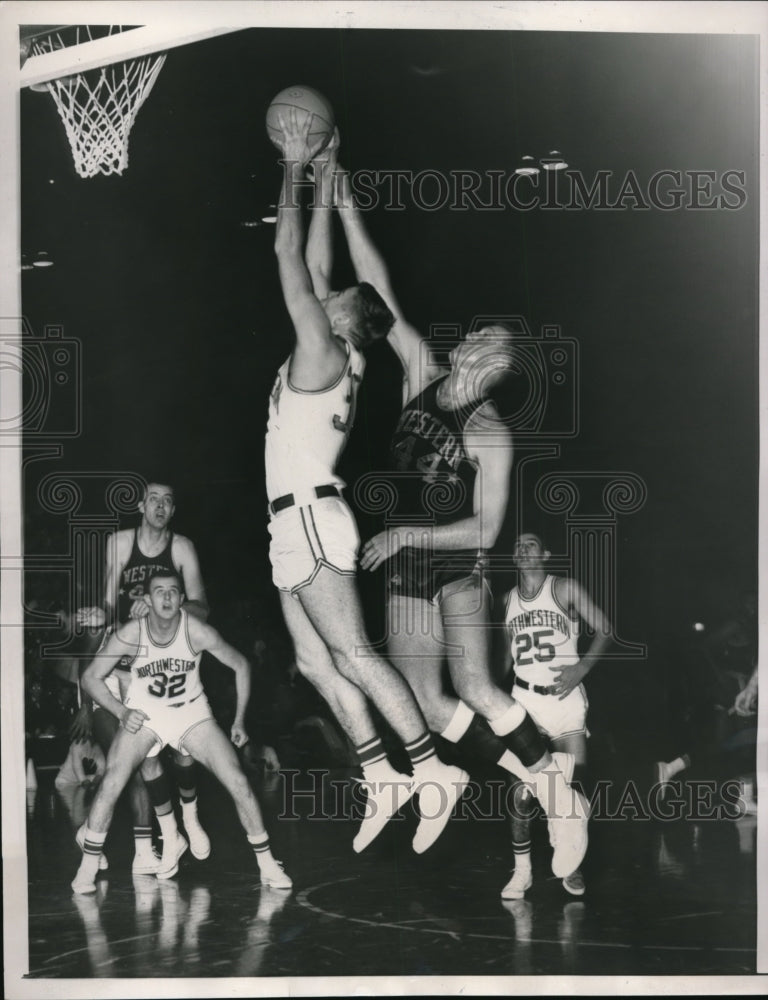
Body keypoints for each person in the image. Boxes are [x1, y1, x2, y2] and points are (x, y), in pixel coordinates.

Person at [331, 156, 590, 884]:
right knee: (421, 696)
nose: (472, 341)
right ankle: (540, 782)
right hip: (406, 555)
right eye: (475, 336)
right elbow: (379, 294)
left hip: (456, 557)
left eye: (488, 343)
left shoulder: (491, 432)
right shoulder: (422, 373)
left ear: (499, 366)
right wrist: (348, 200)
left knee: (475, 685)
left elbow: (486, 530)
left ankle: (559, 795)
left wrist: (409, 532)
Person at [266, 110, 468, 855]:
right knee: (313, 660)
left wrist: (292, 162)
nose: (327, 291)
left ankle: (431, 769)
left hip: (312, 519)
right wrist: (328, 179)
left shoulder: (320, 346)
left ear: (344, 320)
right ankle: (382, 774)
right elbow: (319, 269)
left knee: (353, 652)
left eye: (338, 296)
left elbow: (288, 251)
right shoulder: (343, 348)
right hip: (294, 519)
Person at [71, 570, 291, 894]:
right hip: (146, 714)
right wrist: (120, 711)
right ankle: (87, 868)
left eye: (174, 591)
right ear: (146, 600)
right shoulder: (132, 632)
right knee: (115, 779)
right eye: (159, 591)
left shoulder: (196, 631)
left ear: (181, 599)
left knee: (238, 781)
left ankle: (268, 864)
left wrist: (239, 721)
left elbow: (241, 665)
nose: (167, 597)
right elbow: (90, 676)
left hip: (191, 712)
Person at [74, 481, 211, 876]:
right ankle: (153, 844)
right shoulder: (119, 543)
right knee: (130, 762)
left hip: (164, 665)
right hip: (121, 669)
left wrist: (160, 608)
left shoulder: (181, 548)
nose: (161, 506)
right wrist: (101, 614)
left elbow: (203, 606)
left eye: (169, 500)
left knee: (184, 751)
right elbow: (105, 604)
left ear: (173, 510)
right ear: (140, 505)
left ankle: (185, 822)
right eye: (154, 498)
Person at [499, 532, 612, 898]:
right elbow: (503, 660)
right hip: (525, 702)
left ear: (545, 553)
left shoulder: (565, 588)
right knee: (520, 793)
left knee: (573, 789)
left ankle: (572, 864)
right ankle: (522, 872)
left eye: (530, 543)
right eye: (517, 545)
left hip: (564, 700)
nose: (523, 548)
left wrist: (581, 668)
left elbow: (606, 630)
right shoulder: (506, 601)